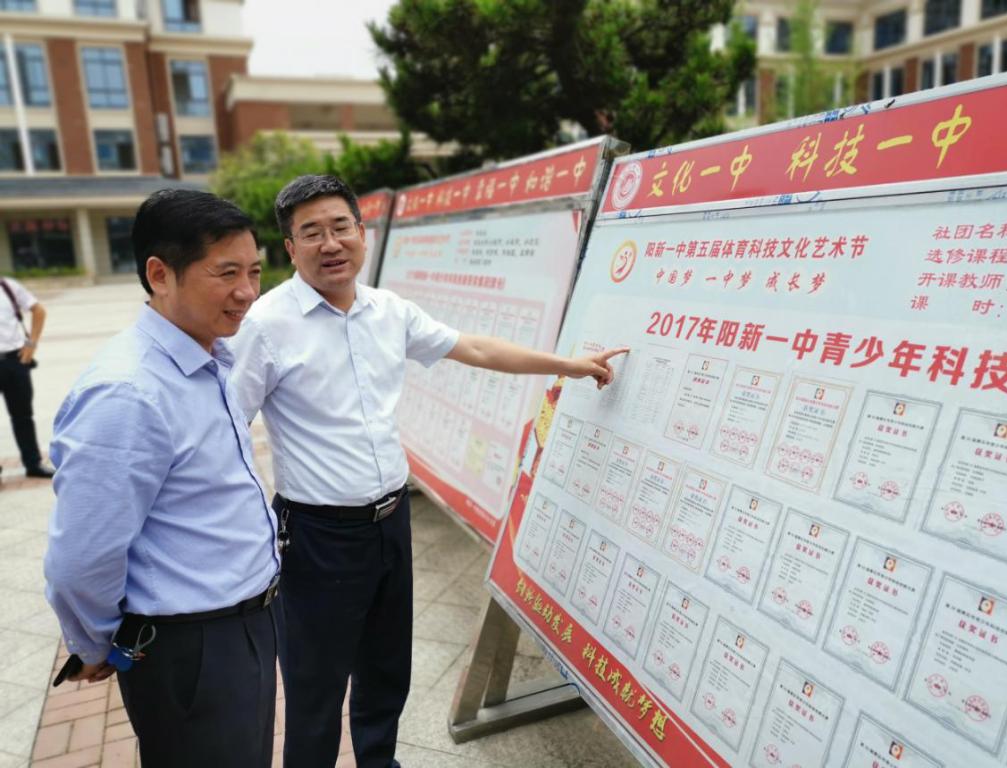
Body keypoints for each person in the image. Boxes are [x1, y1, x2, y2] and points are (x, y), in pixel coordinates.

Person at [229, 174, 627, 768]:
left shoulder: (389, 311)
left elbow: (477, 349)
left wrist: (565, 365)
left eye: (340, 227)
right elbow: (229, 431)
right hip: (317, 537)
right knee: (316, 689)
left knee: (386, 671)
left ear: (361, 233)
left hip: (391, 523)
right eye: (311, 233)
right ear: (290, 247)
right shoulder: (264, 326)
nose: (330, 243)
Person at [44, 190, 281, 768]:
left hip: (243, 624)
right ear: (159, 274)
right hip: (191, 648)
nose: (248, 292)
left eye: (254, 271)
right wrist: (95, 643)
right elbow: (80, 560)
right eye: (226, 273)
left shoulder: (207, 358)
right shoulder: (128, 393)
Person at [0, 275, 54, 478]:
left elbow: (38, 310)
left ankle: (33, 464)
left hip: (15, 361)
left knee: (23, 416)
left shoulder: (8, 286)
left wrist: (31, 344)